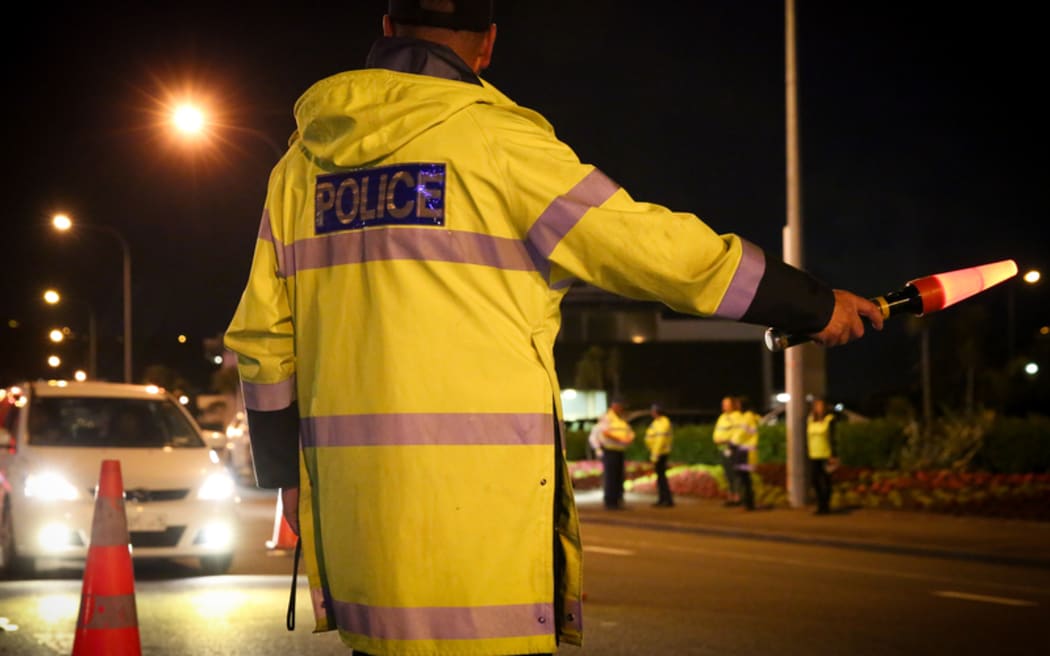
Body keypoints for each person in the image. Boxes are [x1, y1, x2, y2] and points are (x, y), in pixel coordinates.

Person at [223, 1, 883, 653]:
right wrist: (808, 304)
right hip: (481, 543)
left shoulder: (298, 171)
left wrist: (286, 476)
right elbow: (651, 248)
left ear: (389, 28)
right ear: (487, 44)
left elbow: (262, 344)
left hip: (360, 539)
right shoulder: (498, 144)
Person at [597, 398, 634, 510]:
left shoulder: (620, 418)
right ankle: (610, 501)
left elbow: (629, 431)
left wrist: (629, 437)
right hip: (610, 450)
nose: (621, 408)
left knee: (619, 476)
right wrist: (620, 439)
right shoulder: (607, 417)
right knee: (611, 477)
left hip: (619, 451)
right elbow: (605, 432)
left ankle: (618, 499)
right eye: (619, 406)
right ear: (614, 406)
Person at [807, 397, 839, 515]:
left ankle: (825, 506)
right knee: (814, 480)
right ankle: (821, 504)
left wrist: (833, 454)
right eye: (817, 406)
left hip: (826, 454)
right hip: (814, 455)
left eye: (821, 406)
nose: (819, 408)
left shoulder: (829, 419)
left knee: (826, 481)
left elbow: (833, 437)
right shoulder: (811, 419)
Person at [731, 396, 761, 511]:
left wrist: (732, 442)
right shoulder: (748, 416)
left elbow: (742, 434)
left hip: (745, 452)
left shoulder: (747, 417)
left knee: (744, 478)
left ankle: (749, 504)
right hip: (744, 451)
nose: (737, 406)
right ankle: (748, 503)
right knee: (744, 478)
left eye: (739, 404)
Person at [713, 395, 742, 506]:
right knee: (727, 473)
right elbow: (717, 432)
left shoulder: (737, 417)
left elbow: (737, 433)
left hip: (732, 448)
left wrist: (727, 441)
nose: (724, 406)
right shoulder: (722, 417)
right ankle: (730, 497)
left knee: (735, 473)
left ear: (733, 405)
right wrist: (717, 440)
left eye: (726, 404)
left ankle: (737, 497)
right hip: (722, 448)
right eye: (723, 404)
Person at [644, 403, 674, 507]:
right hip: (658, 452)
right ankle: (663, 499)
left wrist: (655, 455)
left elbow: (660, 440)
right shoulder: (658, 422)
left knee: (661, 478)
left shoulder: (663, 422)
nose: (651, 413)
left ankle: (666, 500)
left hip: (660, 453)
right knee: (660, 477)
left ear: (656, 412)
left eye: (652, 411)